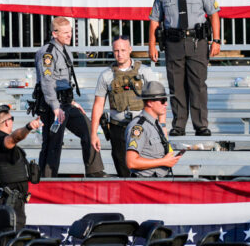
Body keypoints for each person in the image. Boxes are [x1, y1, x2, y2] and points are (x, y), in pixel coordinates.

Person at [148, 0, 222, 137]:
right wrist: (151, 44)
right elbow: (154, 19)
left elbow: (214, 14)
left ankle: (200, 125)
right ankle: (179, 125)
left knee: (197, 85)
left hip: (197, 42)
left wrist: (216, 40)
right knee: (176, 86)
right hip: (173, 43)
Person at [35, 16, 106, 177]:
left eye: (70, 32)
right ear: (54, 33)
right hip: (53, 106)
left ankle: (95, 171)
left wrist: (72, 102)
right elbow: (47, 83)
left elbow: (64, 81)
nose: (69, 35)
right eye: (65, 32)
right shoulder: (48, 53)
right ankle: (47, 178)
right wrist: (55, 107)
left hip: (66, 102)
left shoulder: (65, 49)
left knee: (89, 129)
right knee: (53, 142)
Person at [90, 35, 159, 177]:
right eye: (116, 50)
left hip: (142, 127)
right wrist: (94, 133)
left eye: (123, 50)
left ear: (130, 49)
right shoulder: (106, 75)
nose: (119, 54)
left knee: (146, 170)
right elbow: (98, 105)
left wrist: (161, 126)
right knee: (123, 170)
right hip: (118, 127)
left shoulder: (145, 72)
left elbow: (157, 101)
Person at [0, 105, 42, 229]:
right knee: (11, 242)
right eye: (12, 118)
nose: (12, 122)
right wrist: (28, 127)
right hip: (10, 204)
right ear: (6, 122)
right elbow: (14, 138)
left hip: (9, 203)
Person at [125, 81, 182, 178]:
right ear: (150, 103)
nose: (166, 104)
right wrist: (164, 162)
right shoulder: (139, 127)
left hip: (158, 181)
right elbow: (131, 162)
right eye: (163, 100)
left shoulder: (155, 124)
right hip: (145, 183)